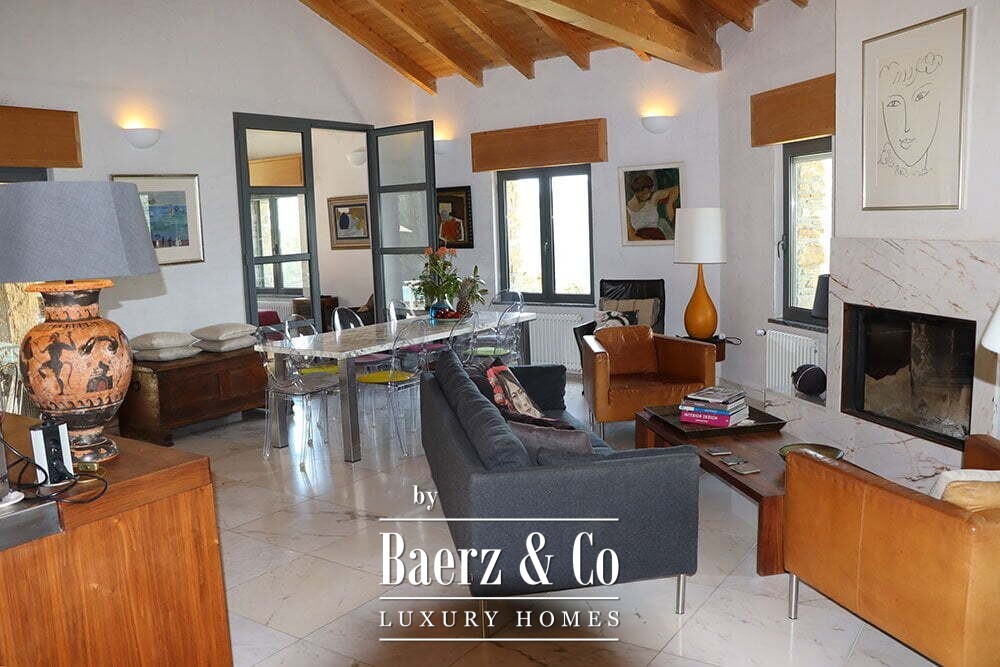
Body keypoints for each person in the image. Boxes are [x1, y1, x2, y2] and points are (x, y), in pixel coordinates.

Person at [625, 173, 679, 240]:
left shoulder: (653, 198)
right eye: (644, 193)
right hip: (642, 240)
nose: (648, 195)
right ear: (636, 192)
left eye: (649, 192)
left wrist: (669, 204)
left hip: (658, 235)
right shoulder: (627, 209)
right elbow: (631, 235)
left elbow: (675, 189)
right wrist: (647, 242)